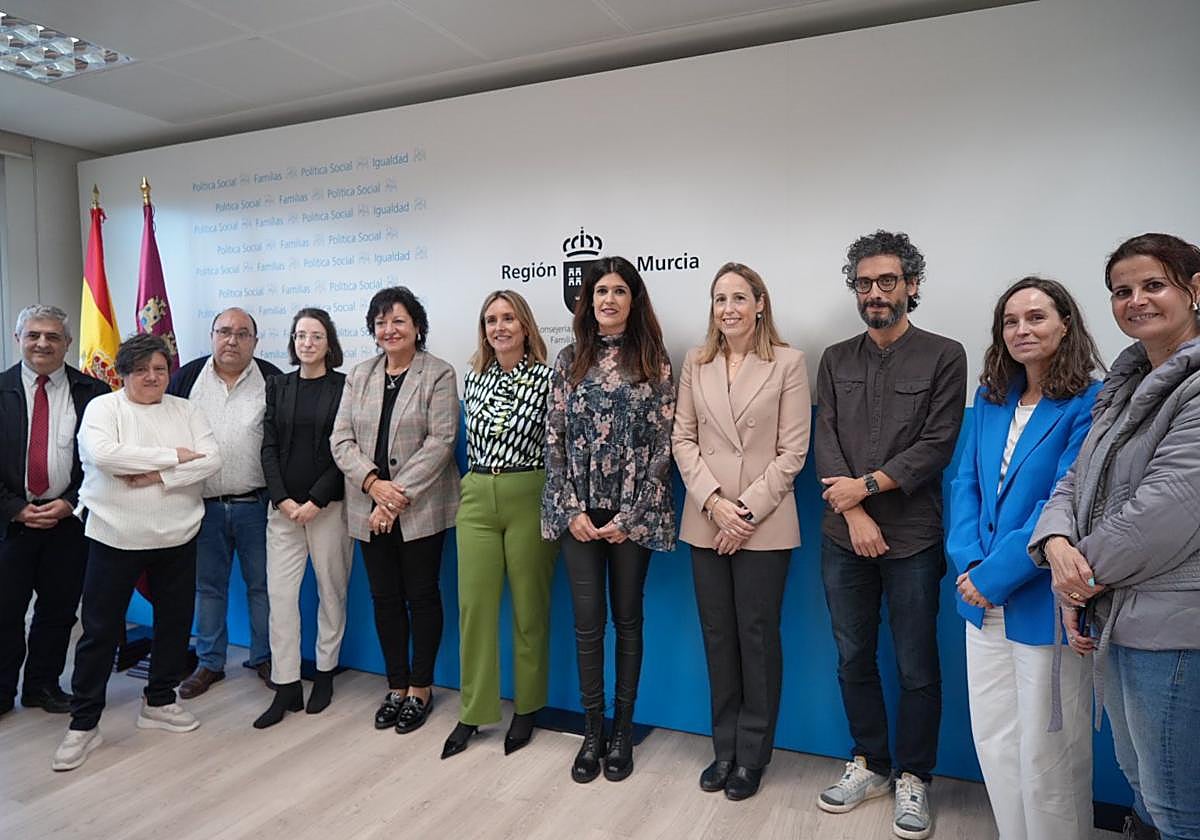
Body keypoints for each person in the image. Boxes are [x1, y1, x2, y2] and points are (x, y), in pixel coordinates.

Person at [1031, 233, 1200, 840]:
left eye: (1153, 285)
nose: (1135, 301)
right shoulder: (1123, 384)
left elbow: (1168, 510)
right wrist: (1054, 546)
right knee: (1142, 784)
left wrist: (1076, 583)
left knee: (1178, 803)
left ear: (1194, 289)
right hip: (1118, 614)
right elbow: (1076, 481)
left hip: (1175, 625)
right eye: (1121, 291)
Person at [814, 230, 966, 840]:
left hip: (912, 538)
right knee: (852, 657)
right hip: (842, 534)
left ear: (912, 286)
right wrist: (853, 511)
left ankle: (915, 777)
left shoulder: (945, 354)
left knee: (915, 664)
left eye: (887, 281)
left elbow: (937, 444)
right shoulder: (834, 358)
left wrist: (869, 489)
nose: (875, 293)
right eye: (864, 283)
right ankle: (871, 764)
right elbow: (826, 439)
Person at [947, 277, 1103, 840]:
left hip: (1041, 600)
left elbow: (1064, 498)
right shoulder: (991, 401)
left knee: (1048, 754)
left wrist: (995, 575)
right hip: (978, 598)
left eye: (1036, 318)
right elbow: (967, 484)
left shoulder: (1091, 401)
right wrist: (968, 565)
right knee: (996, 742)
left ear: (1065, 323)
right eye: (1011, 322)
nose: (1022, 330)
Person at [672, 263, 810, 801]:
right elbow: (683, 439)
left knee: (755, 638)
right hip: (706, 521)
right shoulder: (696, 362)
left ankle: (752, 756)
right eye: (718, 298)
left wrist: (742, 513)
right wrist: (713, 503)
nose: (727, 308)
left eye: (738, 298)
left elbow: (792, 451)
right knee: (717, 639)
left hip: (764, 524)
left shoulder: (789, 363)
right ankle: (723, 749)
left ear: (759, 304)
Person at [53, 334, 221, 771]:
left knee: (174, 624)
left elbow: (212, 460)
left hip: (178, 537)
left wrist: (157, 477)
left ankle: (159, 702)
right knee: (99, 632)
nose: (152, 377)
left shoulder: (186, 409)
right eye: (142, 369)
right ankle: (84, 724)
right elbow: (105, 456)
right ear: (124, 373)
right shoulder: (103, 409)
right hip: (115, 535)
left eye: (160, 369)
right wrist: (174, 457)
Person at [542, 255, 675, 784]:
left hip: (631, 517)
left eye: (619, 291)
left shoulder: (655, 359)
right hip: (578, 512)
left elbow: (664, 445)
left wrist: (633, 514)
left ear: (633, 300)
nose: (609, 300)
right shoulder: (569, 358)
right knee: (586, 622)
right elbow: (551, 440)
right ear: (587, 301)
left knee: (628, 619)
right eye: (600, 292)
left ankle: (623, 730)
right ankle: (592, 730)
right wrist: (571, 509)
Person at [331, 286, 459, 735]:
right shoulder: (359, 375)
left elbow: (440, 442)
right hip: (368, 506)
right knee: (384, 598)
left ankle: (421, 687)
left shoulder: (438, 374)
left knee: (421, 596)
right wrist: (373, 485)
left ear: (417, 326)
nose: (389, 329)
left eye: (398, 321)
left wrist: (394, 497)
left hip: (421, 506)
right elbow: (341, 440)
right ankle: (396, 684)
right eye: (381, 323)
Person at [442, 290, 559, 759]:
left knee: (530, 609)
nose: (499, 327)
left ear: (525, 326)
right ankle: (473, 710)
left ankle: (528, 707)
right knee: (475, 609)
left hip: (528, 493)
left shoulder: (550, 380)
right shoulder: (473, 380)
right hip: (477, 497)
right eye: (491, 320)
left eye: (508, 318)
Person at [1, 305, 109, 718]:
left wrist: (70, 503)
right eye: (33, 335)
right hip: (10, 524)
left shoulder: (94, 393)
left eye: (52, 336)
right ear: (18, 340)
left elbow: (100, 462)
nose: (42, 343)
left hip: (69, 521)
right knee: (5, 611)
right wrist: (16, 509)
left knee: (59, 611)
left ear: (67, 343)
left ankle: (42, 686)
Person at [170, 308, 282, 698]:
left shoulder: (273, 379)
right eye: (224, 332)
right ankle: (209, 663)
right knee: (209, 588)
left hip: (257, 505)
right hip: (203, 507)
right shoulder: (187, 377)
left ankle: (265, 657)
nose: (231, 340)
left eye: (242, 333)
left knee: (262, 587)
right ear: (212, 335)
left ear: (255, 340)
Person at [254, 308, 351, 728]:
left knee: (332, 592)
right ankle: (287, 684)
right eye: (299, 335)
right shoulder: (277, 386)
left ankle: (325, 673)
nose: (306, 342)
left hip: (328, 509)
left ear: (329, 342)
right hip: (283, 512)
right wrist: (282, 500)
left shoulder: (346, 387)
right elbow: (269, 447)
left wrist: (315, 498)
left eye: (315, 335)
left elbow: (346, 449)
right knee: (281, 598)